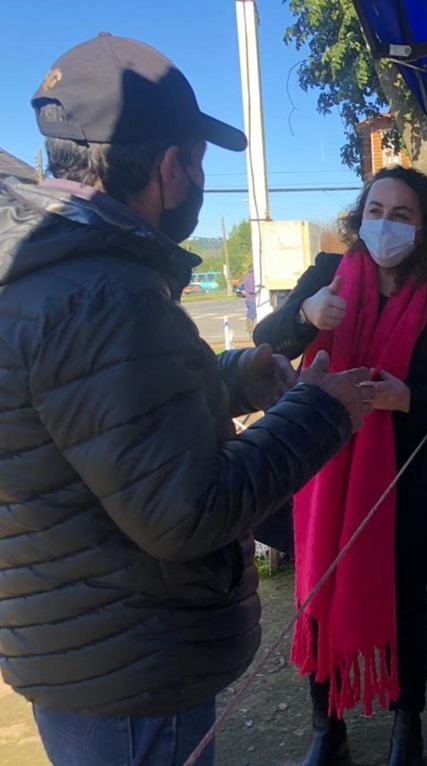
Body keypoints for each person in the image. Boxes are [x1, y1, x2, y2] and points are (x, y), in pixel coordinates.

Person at [0, 34, 376, 766]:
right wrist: (319, 411)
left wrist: (230, 378)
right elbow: (186, 510)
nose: (201, 182)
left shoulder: (57, 269)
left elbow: (98, 416)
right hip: (131, 659)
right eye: (200, 163)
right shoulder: (105, 291)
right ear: (171, 167)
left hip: (87, 637)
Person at [253, 166, 427, 766]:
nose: (386, 224)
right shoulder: (328, 276)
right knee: (320, 590)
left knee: (406, 598)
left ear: (424, 228)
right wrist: (305, 314)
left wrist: (408, 398)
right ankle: (326, 727)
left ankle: (406, 726)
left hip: (405, 479)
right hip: (322, 472)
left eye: (402, 215)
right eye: (376, 211)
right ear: (361, 219)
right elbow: (266, 339)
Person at [244, 264, 257, 334]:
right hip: (252, 299)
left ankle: (249, 330)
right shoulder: (251, 279)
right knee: (252, 313)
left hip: (249, 299)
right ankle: (250, 330)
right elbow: (252, 290)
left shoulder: (247, 278)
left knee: (250, 313)